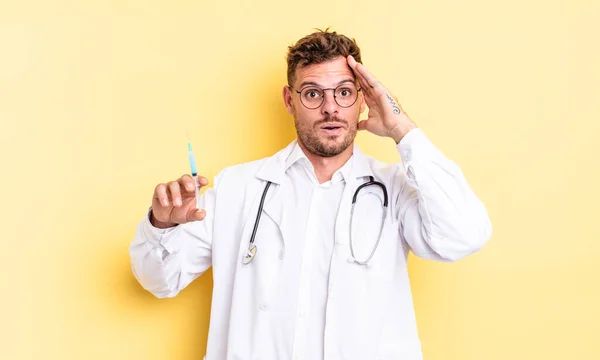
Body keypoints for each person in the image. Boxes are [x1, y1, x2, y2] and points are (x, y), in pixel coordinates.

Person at [129, 29, 492, 360]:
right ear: (290, 99)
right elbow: (159, 280)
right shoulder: (237, 189)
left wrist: (403, 129)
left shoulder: (393, 190)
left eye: (345, 93)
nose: (330, 108)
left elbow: (465, 236)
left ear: (363, 100)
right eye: (313, 93)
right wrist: (162, 224)